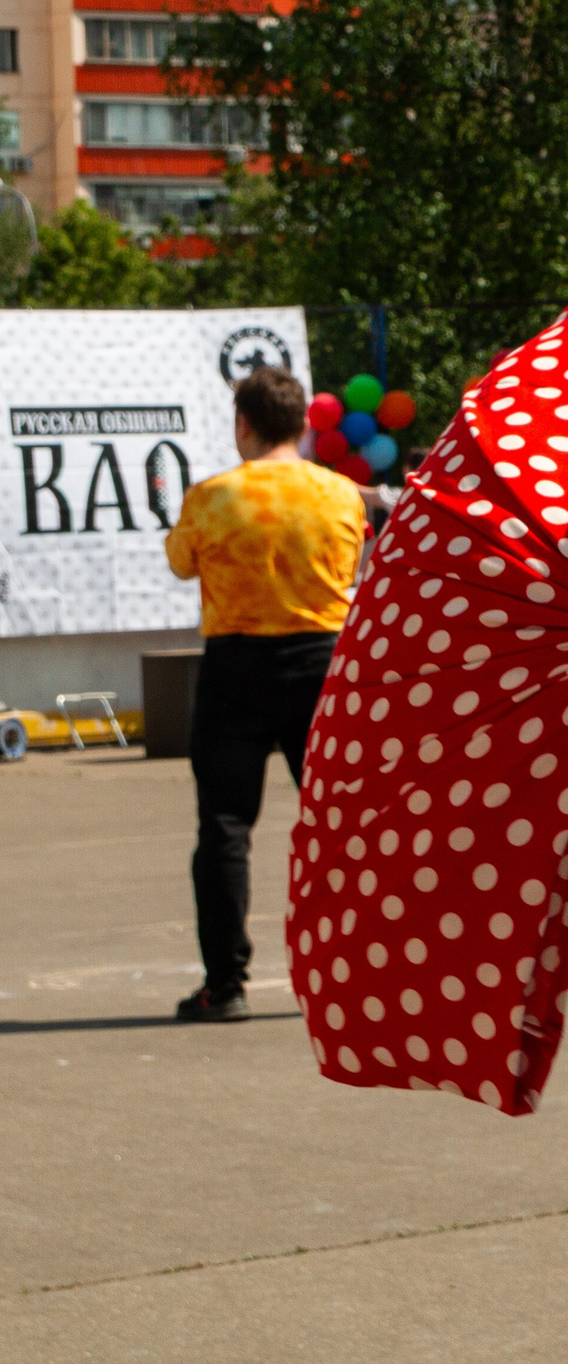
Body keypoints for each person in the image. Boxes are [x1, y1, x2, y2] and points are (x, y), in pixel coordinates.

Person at [164, 365, 367, 1023]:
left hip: (235, 665)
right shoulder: (340, 493)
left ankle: (225, 985)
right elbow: (351, 566)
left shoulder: (211, 496)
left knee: (224, 828)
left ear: (243, 424)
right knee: (340, 826)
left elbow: (180, 562)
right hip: (323, 665)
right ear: (304, 424)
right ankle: (353, 977)